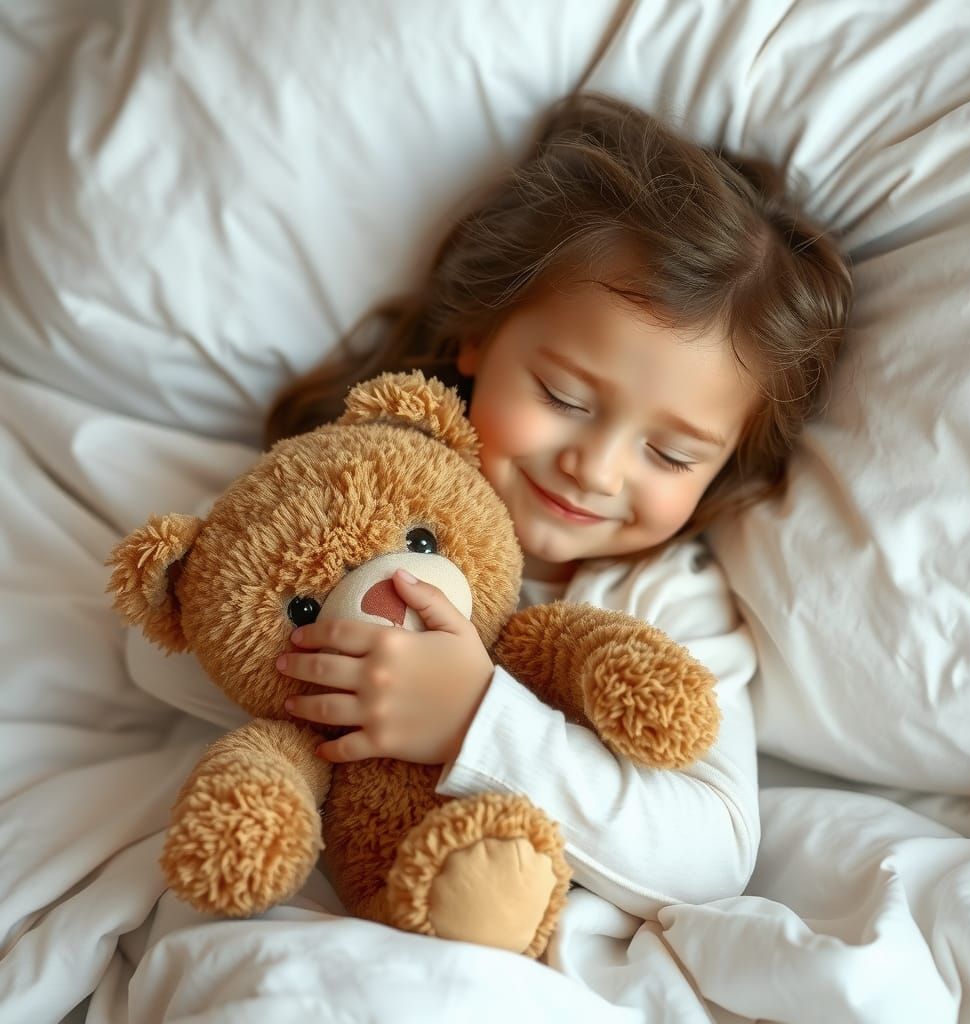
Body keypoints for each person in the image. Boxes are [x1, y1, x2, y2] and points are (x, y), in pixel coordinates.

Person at [266, 93, 852, 920]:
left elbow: (714, 854)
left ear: (721, 467)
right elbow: (182, 630)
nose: (596, 468)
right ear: (482, 334)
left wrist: (477, 723)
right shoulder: (354, 488)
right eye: (564, 396)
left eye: (670, 453)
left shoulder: (664, 602)